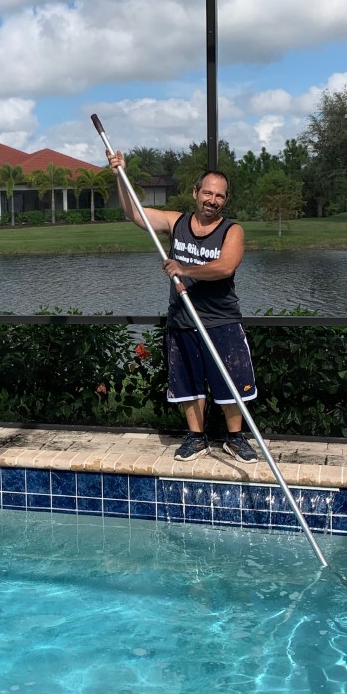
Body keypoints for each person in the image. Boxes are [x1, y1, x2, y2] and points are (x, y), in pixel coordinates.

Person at [107, 152, 258, 463]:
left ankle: (234, 438)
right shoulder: (176, 222)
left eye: (219, 195)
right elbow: (134, 213)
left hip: (221, 320)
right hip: (183, 319)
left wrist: (184, 269)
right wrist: (119, 176)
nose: (212, 200)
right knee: (188, 384)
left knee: (230, 383)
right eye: (207, 192)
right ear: (195, 192)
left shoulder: (232, 230)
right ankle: (196, 438)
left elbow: (225, 267)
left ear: (225, 200)